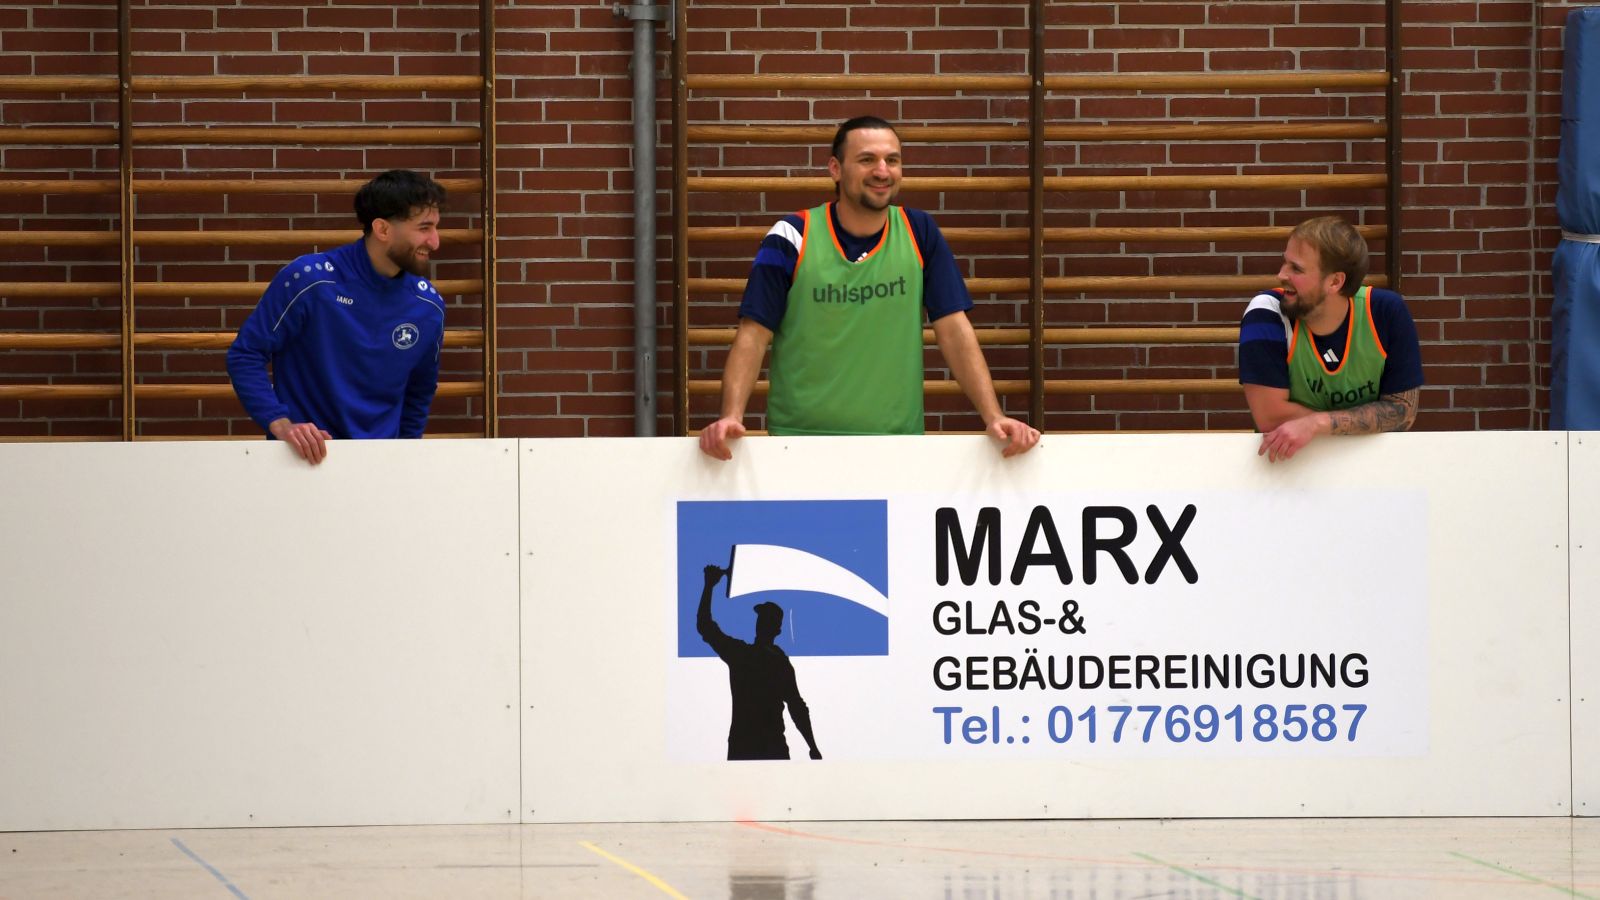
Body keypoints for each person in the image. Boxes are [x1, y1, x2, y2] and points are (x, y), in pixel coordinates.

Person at [697, 116, 1040, 461]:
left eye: (892, 160)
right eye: (867, 160)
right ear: (835, 169)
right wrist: (731, 415)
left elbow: (953, 329)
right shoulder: (792, 234)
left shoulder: (919, 231)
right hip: (799, 444)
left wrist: (993, 416)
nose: (882, 171)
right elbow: (754, 333)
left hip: (896, 444)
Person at [226, 170, 448, 465]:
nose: (435, 242)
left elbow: (419, 392)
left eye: (435, 227)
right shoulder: (310, 280)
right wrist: (279, 422)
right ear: (382, 229)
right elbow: (246, 353)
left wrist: (403, 456)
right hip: (304, 463)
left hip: (380, 467)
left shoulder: (428, 306)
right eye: (424, 228)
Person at [1238, 216, 1424, 463]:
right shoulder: (1266, 312)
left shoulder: (1386, 312)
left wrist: (1317, 423)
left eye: (1296, 268)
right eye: (1285, 262)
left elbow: (1403, 413)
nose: (1281, 274)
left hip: (1368, 464)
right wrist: (1355, 422)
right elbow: (1270, 416)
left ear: (1335, 281)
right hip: (1288, 466)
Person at [697, 564, 822, 761]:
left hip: (759, 748)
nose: (761, 622)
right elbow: (705, 626)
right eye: (761, 618)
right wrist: (812, 747)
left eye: (766, 619)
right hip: (755, 748)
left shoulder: (760, 658)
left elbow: (797, 707)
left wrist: (709, 586)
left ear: (776, 629)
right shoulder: (754, 656)